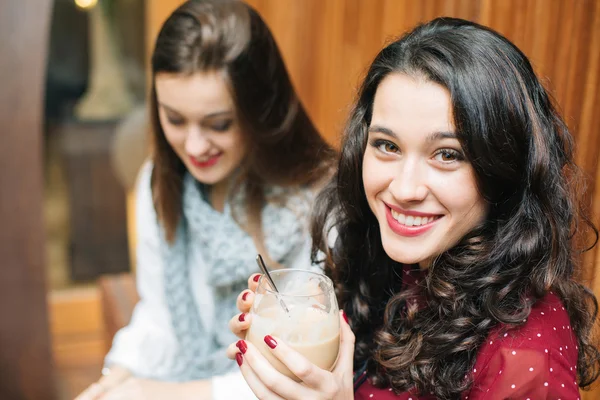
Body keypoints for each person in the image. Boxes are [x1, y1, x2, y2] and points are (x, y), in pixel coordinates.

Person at [227, 17, 600, 399]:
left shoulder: (524, 359)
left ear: (503, 167)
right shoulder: (399, 263)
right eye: (387, 146)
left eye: (447, 155)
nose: (403, 189)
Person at [76, 0, 335, 399]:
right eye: (174, 119)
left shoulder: (322, 204)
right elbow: (160, 320)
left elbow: (301, 372)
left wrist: (157, 394)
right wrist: (118, 377)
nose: (194, 146)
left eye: (219, 124)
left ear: (260, 110)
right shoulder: (158, 184)